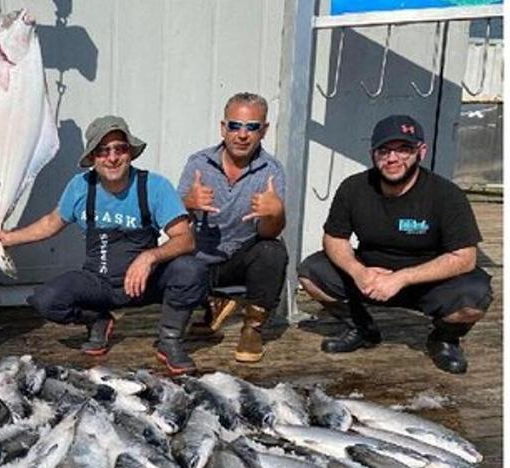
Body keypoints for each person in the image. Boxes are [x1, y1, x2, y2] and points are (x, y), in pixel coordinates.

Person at [0, 116, 207, 375]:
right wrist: (10, 238)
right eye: (103, 151)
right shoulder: (81, 186)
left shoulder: (154, 185)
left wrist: (149, 257)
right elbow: (51, 222)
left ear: (130, 153)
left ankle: (169, 341)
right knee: (46, 301)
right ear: (92, 157)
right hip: (100, 283)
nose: (112, 157)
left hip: (145, 283)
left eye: (120, 148)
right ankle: (98, 319)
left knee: (191, 269)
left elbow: (185, 238)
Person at [297, 114, 492, 374]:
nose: (392, 158)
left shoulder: (447, 195)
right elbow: (335, 237)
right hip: (369, 277)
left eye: (404, 150)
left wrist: (402, 278)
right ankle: (361, 327)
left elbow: (465, 257)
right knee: (311, 273)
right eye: (385, 150)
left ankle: (444, 339)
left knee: (475, 297)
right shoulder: (354, 187)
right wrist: (358, 271)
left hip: (427, 282)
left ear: (421, 151)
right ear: (372, 153)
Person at [181, 92, 288, 363]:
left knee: (273, 250)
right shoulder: (198, 163)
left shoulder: (272, 170)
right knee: (167, 260)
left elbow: (268, 233)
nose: (242, 134)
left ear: (263, 131)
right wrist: (187, 204)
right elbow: (174, 223)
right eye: (235, 125)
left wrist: (275, 214)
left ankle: (252, 328)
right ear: (223, 127)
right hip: (201, 259)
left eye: (252, 126)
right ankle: (211, 306)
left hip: (240, 259)